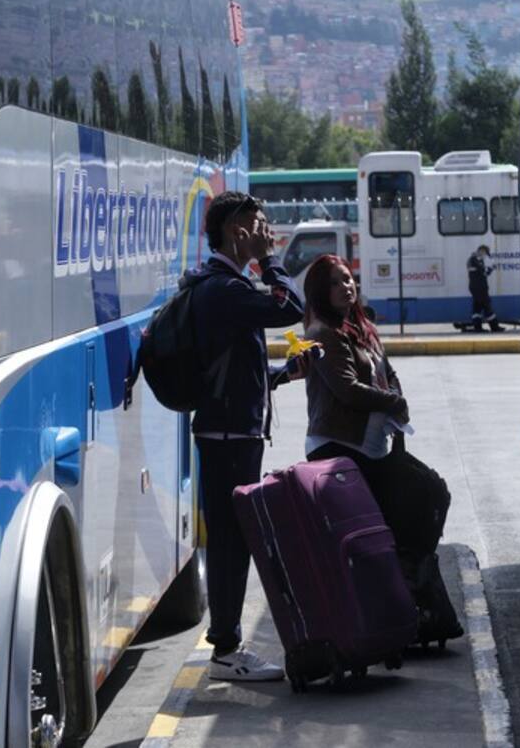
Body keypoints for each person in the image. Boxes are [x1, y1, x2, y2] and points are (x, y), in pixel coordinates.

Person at [300, 254, 463, 644]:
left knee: (432, 493)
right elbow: (347, 390)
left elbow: (388, 373)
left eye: (348, 279)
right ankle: (397, 610)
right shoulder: (322, 334)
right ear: (320, 292)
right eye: (335, 283)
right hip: (339, 451)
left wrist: (396, 397)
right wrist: (394, 403)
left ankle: (411, 599)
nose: (346, 287)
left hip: (375, 447)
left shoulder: (363, 327)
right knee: (393, 520)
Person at [183, 191, 307, 682]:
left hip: (232, 430)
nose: (266, 234)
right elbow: (291, 305)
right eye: (259, 227)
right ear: (238, 233)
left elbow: (235, 370)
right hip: (229, 435)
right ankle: (226, 649)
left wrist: (284, 373)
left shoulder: (223, 286)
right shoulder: (224, 289)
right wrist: (270, 261)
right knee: (232, 542)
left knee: (233, 539)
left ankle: (226, 643)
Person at [467, 244, 503, 332]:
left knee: (477, 307)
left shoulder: (478, 260)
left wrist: (490, 269)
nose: (485, 256)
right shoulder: (473, 259)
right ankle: (494, 327)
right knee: (487, 305)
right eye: (485, 253)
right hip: (479, 288)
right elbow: (483, 271)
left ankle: (477, 327)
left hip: (478, 287)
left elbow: (485, 273)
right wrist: (489, 269)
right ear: (481, 251)